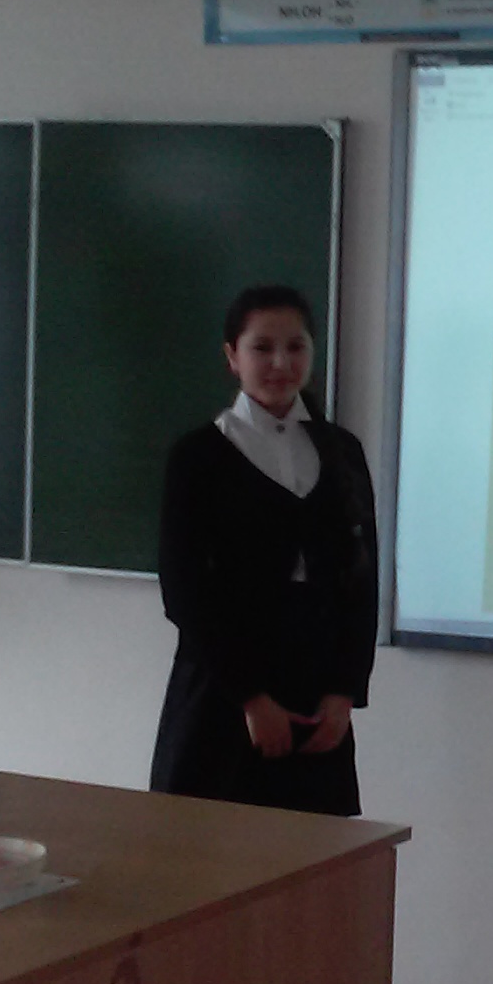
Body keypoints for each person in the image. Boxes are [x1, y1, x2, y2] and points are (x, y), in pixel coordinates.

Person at [148, 286, 379, 816]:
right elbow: (183, 591)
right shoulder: (198, 456)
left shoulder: (341, 451)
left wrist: (345, 691)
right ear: (233, 356)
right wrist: (250, 696)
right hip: (223, 695)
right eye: (262, 348)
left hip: (317, 703)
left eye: (295, 347)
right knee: (212, 849)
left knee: (317, 854)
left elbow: (361, 582)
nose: (280, 363)